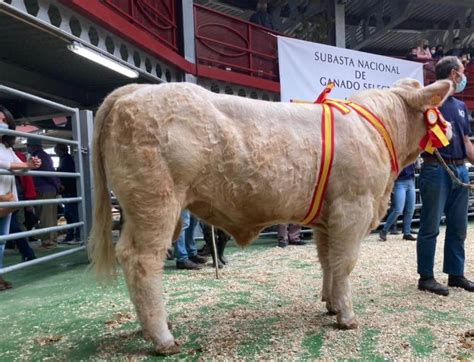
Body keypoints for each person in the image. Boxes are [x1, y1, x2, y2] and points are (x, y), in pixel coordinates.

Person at [417, 56, 474, 296]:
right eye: (462, 72)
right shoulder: (430, 104)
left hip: (460, 168)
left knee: (459, 225)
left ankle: (455, 273)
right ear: (453, 74)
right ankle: (426, 277)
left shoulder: (460, 107)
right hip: (435, 167)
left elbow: (467, 142)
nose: (464, 77)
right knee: (430, 225)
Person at [0, 105, 41, 290]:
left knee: (2, 240)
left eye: (4, 120)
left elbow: (18, 166)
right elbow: (7, 165)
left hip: (6, 199)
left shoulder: (6, 147)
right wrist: (25, 164)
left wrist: (30, 164)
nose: (2, 123)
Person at [27, 138, 60, 249]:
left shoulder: (40, 156)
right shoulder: (41, 156)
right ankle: (48, 240)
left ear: (33, 146)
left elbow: (48, 173)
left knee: (46, 217)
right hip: (45, 189)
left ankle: (49, 242)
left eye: (28, 145)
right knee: (46, 216)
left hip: (45, 190)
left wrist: (57, 186)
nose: (28, 147)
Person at [10, 148, 38, 262]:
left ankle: (26, 251)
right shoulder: (14, 154)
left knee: (14, 225)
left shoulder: (12, 153)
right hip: (13, 194)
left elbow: (24, 171)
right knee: (14, 226)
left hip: (12, 195)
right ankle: (27, 251)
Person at [379, 164, 416, 241]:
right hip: (399, 182)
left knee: (410, 209)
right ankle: (384, 230)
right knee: (398, 210)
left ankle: (407, 232)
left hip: (410, 181)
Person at [54, 143, 80, 243]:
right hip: (70, 191)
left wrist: (63, 186)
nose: (56, 153)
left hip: (69, 191)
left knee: (72, 214)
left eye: (56, 150)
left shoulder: (66, 160)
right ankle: (72, 235)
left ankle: (76, 235)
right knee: (70, 214)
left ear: (59, 150)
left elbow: (67, 176)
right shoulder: (66, 159)